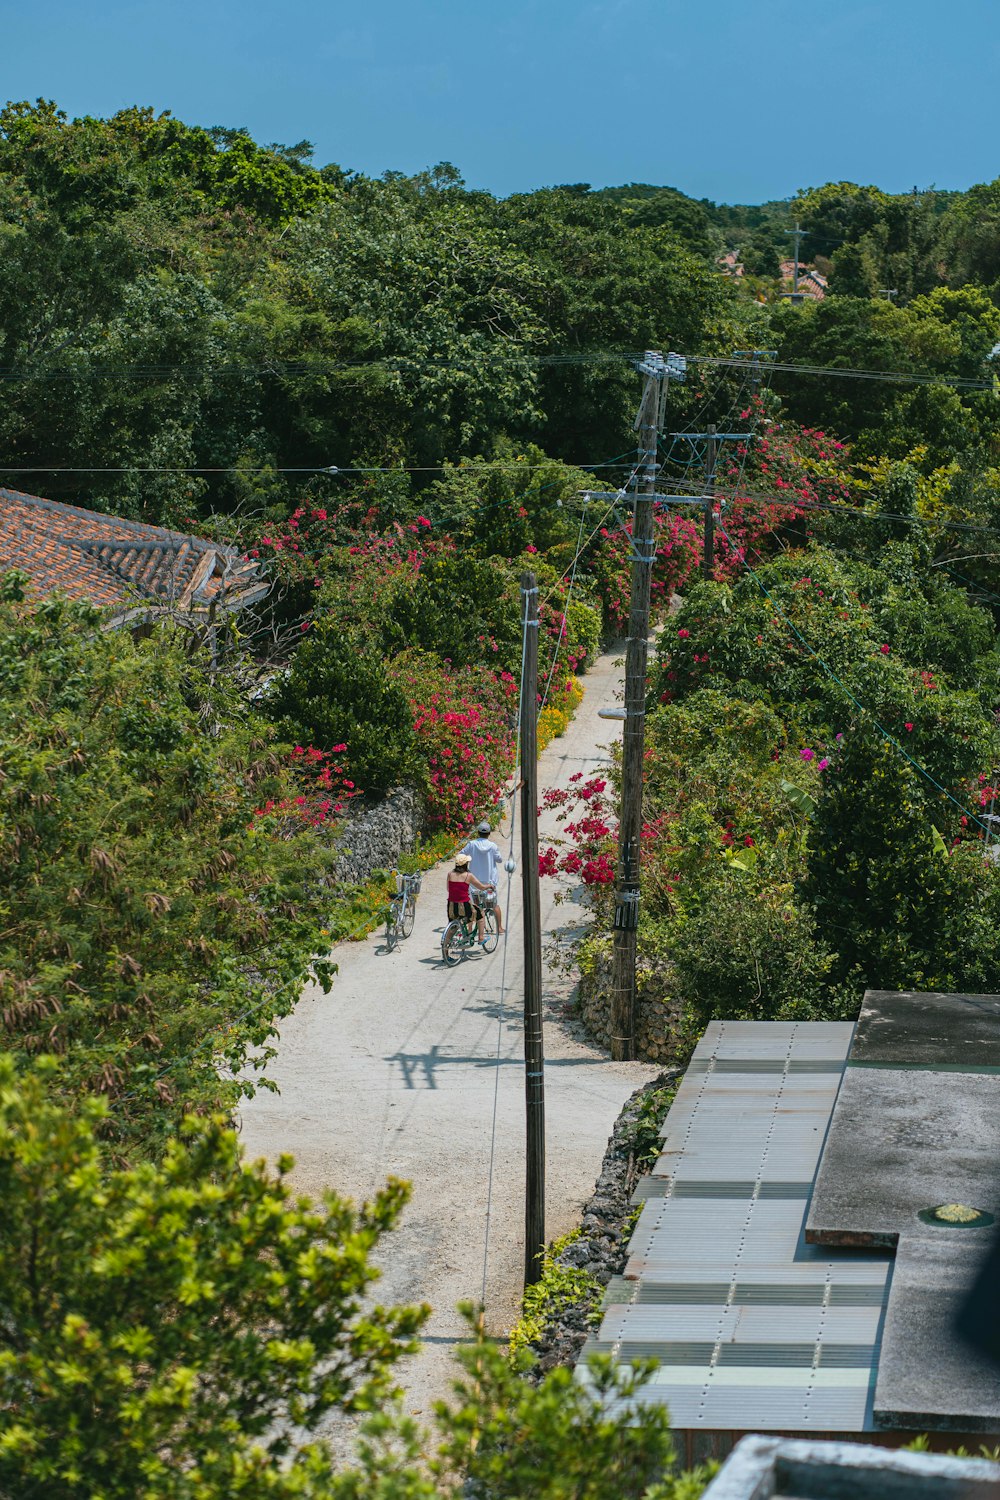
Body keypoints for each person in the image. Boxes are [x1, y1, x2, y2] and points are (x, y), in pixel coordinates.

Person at [462, 821, 505, 936]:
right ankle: (499, 928)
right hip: (489, 881)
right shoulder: (493, 846)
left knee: (473, 906)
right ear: (489, 833)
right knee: (494, 904)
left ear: (478, 832)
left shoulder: (472, 844)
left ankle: (470, 931)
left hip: (474, 881)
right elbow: (499, 859)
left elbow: (461, 855)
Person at [446, 852, 493, 945]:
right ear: (465, 864)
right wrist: (489, 886)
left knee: (452, 927)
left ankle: (446, 951)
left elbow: (448, 889)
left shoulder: (450, 874)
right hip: (464, 906)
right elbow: (481, 887)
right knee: (480, 914)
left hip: (451, 906)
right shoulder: (468, 875)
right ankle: (480, 938)